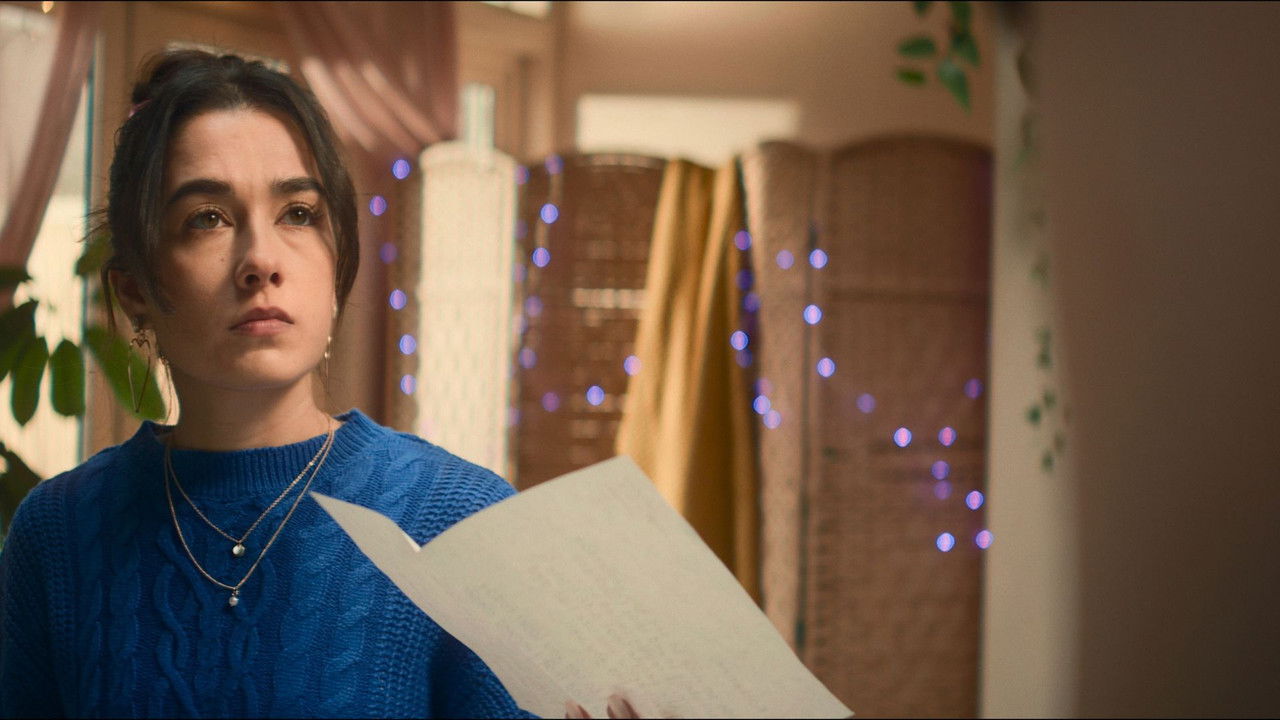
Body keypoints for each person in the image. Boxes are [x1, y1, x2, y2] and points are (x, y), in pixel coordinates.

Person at [0, 49, 545, 718]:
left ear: (336, 258)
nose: (261, 259)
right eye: (207, 218)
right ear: (135, 290)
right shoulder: (57, 533)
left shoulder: (460, 521)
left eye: (298, 214)